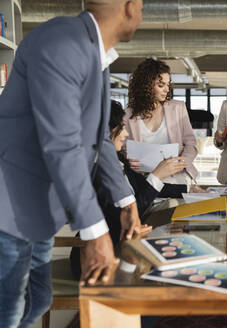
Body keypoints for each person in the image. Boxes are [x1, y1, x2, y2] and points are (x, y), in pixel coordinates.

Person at [0, 1, 143, 326]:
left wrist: (126, 199)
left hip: (38, 206)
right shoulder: (63, 43)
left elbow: (99, 140)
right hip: (9, 202)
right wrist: (95, 233)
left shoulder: (97, 56)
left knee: (37, 302)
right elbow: (63, 144)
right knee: (8, 312)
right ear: (130, 7)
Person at [70, 101, 189, 279]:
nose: (126, 134)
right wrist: (156, 175)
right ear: (106, 132)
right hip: (97, 257)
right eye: (122, 128)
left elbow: (143, 186)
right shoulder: (95, 171)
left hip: (122, 248)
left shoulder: (118, 161)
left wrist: (189, 189)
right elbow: (129, 213)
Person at [124, 58, 198, 186]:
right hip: (143, 179)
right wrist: (128, 160)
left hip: (176, 176)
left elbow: (191, 144)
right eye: (161, 85)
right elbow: (123, 149)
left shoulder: (178, 108)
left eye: (168, 84)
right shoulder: (128, 114)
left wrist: (181, 163)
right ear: (145, 85)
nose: (167, 90)